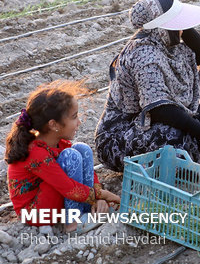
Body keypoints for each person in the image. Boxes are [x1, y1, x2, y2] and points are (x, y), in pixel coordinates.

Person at [95, 0, 200, 172]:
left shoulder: (164, 45)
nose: (181, 30)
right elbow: (159, 110)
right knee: (173, 135)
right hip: (119, 136)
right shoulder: (144, 54)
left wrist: (181, 24)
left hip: (146, 124)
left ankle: (181, 167)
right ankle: (164, 173)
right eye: (176, 23)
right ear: (161, 27)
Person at [6, 80, 120, 232]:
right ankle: (73, 223)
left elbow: (83, 178)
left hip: (53, 199)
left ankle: (88, 210)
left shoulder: (59, 143)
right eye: (74, 117)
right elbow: (68, 188)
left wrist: (97, 198)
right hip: (35, 213)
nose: (79, 122)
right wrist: (106, 195)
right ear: (54, 125)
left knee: (82, 148)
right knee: (70, 157)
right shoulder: (35, 153)